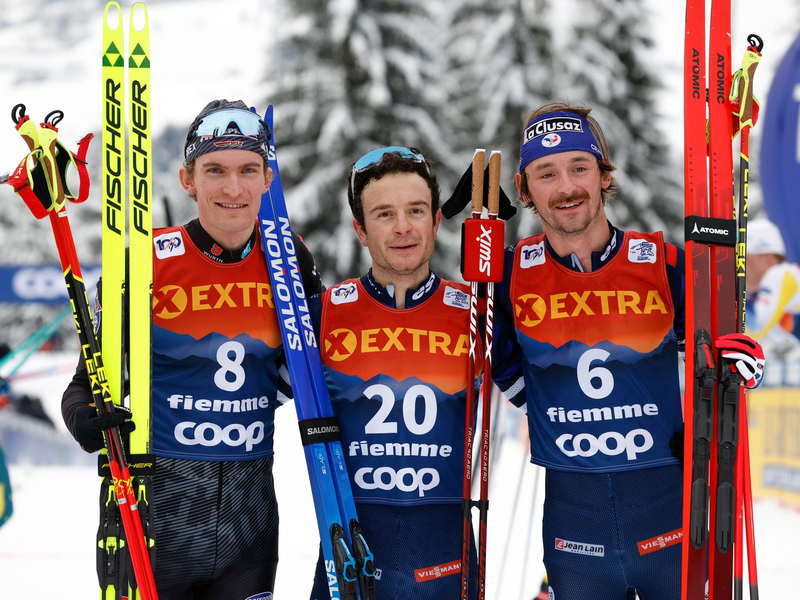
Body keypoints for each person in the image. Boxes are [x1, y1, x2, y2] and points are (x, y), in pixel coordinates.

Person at [492, 101, 765, 600]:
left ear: (603, 175)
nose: (567, 186)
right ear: (525, 188)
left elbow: (716, 354)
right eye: (546, 173)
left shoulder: (663, 263)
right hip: (574, 531)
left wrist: (740, 365)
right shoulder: (509, 276)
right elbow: (492, 358)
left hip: (669, 518)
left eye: (580, 167)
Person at [62, 99, 324, 599]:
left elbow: (301, 371)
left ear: (267, 180)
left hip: (249, 528)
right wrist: (86, 418)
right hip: (154, 515)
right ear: (188, 179)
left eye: (249, 170)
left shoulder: (290, 258)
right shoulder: (144, 261)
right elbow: (82, 385)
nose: (233, 187)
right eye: (215, 170)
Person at [308, 147, 480, 599]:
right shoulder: (322, 315)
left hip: (449, 559)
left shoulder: (477, 313)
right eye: (384, 214)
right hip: (350, 556)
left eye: (416, 211)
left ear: (436, 222)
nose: (403, 227)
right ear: (360, 231)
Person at [745, 218, 800, 356]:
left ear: (768, 256)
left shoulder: (782, 274)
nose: (739, 265)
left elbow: (754, 330)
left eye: (744, 257)